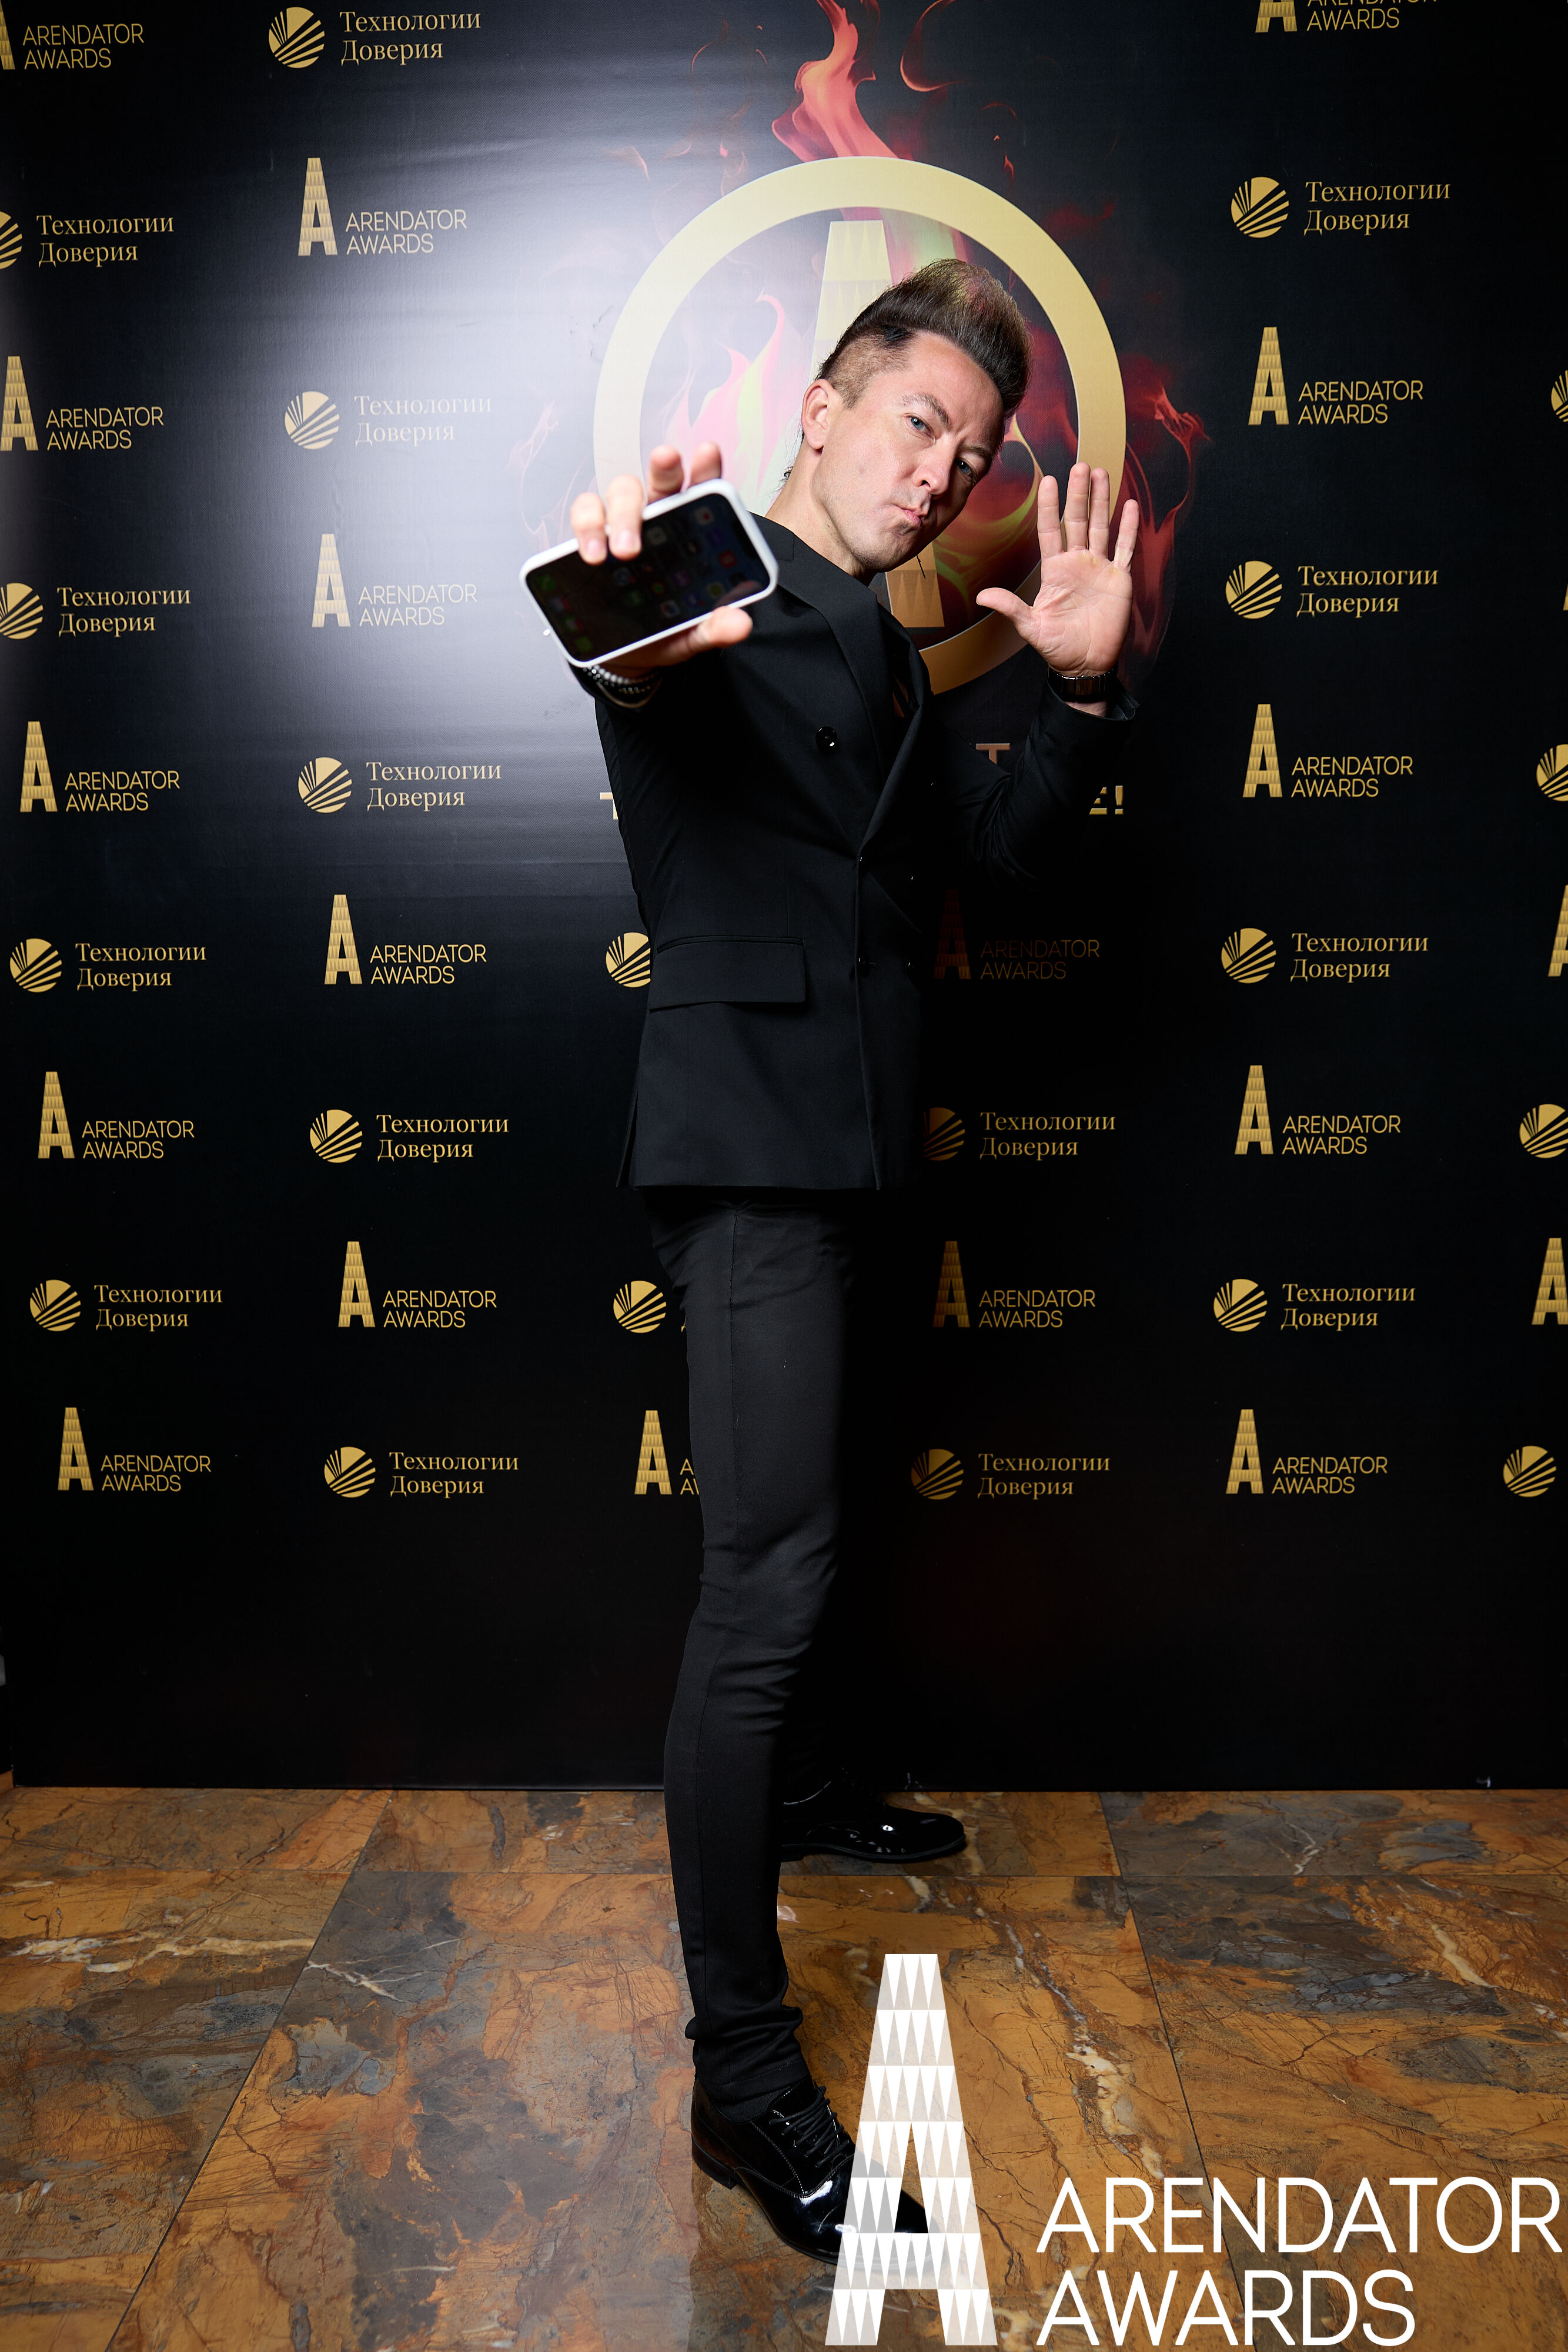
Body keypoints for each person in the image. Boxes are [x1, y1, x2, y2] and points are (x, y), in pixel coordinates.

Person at [570, 260, 1139, 2262]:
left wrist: (1081, 692)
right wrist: (617, 604)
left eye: (969, 458)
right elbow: (632, 654)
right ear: (818, 408)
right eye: (916, 425)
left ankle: (808, 1791)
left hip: (866, 1151)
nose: (939, 476)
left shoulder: (893, 655)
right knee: (765, 1586)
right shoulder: (712, 590)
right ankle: (743, 2086)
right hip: (752, 1156)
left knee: (821, 1534)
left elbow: (991, 866)